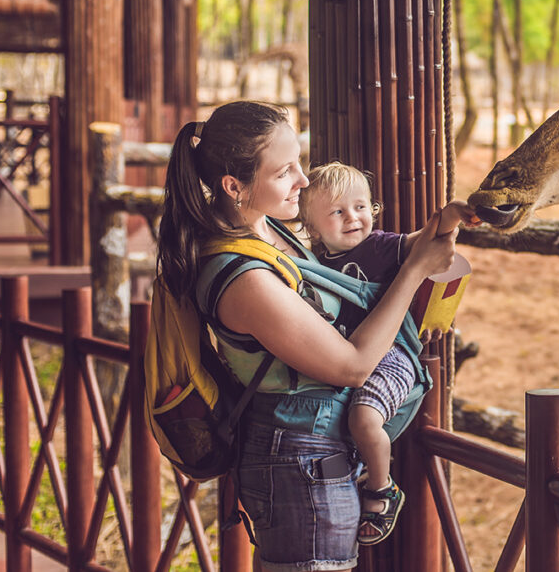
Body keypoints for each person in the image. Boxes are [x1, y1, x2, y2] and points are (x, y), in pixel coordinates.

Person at [156, 101, 457, 571]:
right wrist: (416, 271)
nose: (302, 180)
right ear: (233, 186)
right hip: (299, 462)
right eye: (284, 172)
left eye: (300, 162)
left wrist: (437, 231)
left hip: (318, 449)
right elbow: (352, 366)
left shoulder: (270, 229)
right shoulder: (241, 276)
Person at [297, 162, 477, 545]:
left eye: (361, 207)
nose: (353, 218)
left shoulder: (379, 247)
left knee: (363, 420)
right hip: (346, 356)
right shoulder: (311, 263)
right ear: (312, 228)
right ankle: (360, 467)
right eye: (337, 212)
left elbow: (427, 237)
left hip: (390, 356)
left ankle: (382, 488)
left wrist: (453, 214)